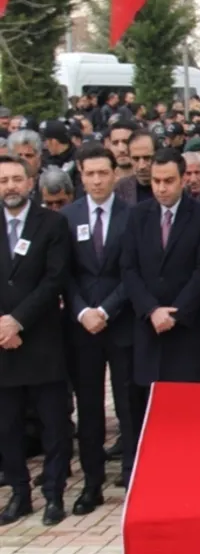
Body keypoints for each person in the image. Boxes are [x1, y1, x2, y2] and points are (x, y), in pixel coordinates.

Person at [121, 147, 200, 447]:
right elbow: (128, 268)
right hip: (149, 327)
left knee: (191, 410)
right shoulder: (137, 216)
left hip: (189, 330)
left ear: (182, 180)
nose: (161, 188)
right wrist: (151, 310)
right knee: (152, 412)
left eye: (168, 180)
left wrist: (176, 313)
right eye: (156, 181)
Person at [0, 155, 72, 526]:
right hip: (2, 346)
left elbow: (55, 279)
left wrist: (18, 320)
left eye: (17, 179)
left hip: (42, 339)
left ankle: (54, 495)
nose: (10, 186)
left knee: (54, 424)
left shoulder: (53, 224)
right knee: (7, 426)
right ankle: (19, 494)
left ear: (31, 183)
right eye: (4, 180)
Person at [62, 144, 135, 506]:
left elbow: (132, 272)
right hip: (81, 328)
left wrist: (106, 310)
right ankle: (92, 483)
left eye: (102, 173)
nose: (96, 180)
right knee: (89, 408)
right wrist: (82, 312)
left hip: (120, 324)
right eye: (89, 173)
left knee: (127, 405)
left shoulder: (131, 215)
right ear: (80, 174)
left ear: (114, 174)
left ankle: (131, 477)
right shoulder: (68, 217)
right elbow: (65, 275)